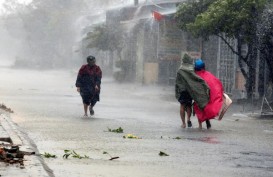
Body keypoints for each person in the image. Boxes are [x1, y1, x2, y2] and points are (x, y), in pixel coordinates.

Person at [175, 54, 210, 128]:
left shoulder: (180, 70)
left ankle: (183, 123)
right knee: (189, 105)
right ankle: (188, 119)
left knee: (182, 106)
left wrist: (177, 92)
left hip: (183, 90)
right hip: (190, 90)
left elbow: (177, 82)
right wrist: (203, 84)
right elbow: (195, 78)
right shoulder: (191, 69)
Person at [194, 59, 226, 129]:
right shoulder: (208, 75)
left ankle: (200, 126)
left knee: (198, 109)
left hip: (199, 96)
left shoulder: (195, 76)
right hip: (206, 96)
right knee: (206, 108)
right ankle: (207, 122)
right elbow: (216, 83)